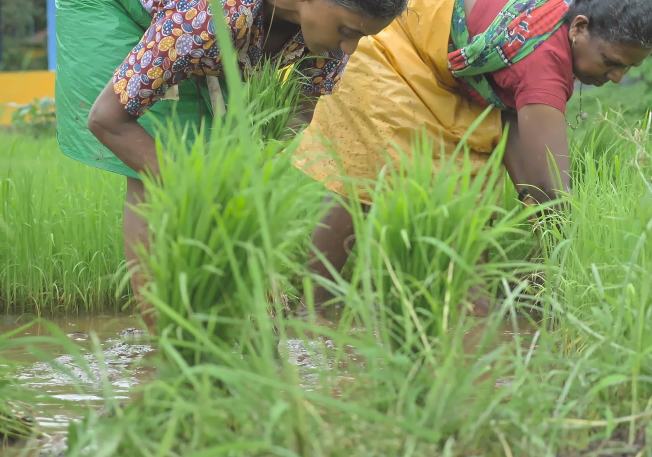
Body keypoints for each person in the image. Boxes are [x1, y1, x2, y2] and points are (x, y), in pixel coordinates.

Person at [293, 0, 652, 314]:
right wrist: (566, 254)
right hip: (393, 48)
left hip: (448, 77)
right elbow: (547, 184)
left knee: (464, 209)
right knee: (362, 181)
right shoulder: (543, 65)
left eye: (628, 69)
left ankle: (464, 323)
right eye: (611, 62)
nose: (617, 77)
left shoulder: (553, 17)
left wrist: (551, 263)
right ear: (580, 28)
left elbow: (523, 158)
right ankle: (313, 312)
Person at [54, 0, 407, 333]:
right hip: (118, 8)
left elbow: (299, 106)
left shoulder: (327, 39)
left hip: (194, 32)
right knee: (159, 155)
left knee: (220, 154)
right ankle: (168, 338)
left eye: (361, 37)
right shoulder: (209, 17)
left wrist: (248, 175)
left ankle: (220, 327)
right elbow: (107, 119)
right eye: (348, 31)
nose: (350, 49)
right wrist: (202, 197)